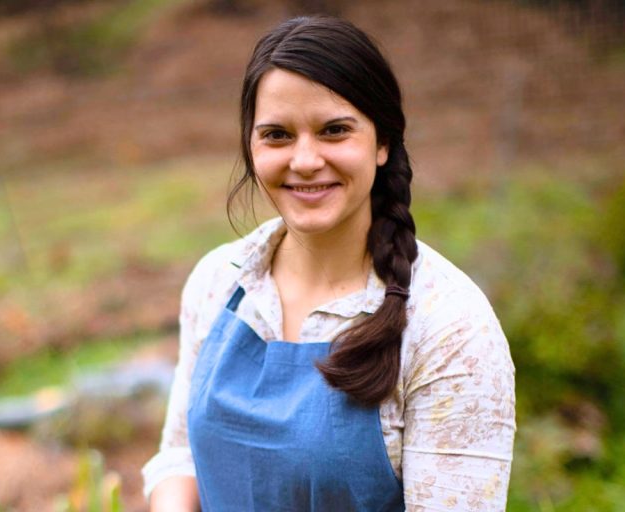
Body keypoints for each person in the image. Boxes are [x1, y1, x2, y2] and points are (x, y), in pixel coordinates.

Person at [142, 15, 515, 512]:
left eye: (334, 130)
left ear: (383, 143)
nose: (305, 160)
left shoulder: (450, 328)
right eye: (276, 135)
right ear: (251, 148)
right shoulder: (219, 282)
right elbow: (182, 454)